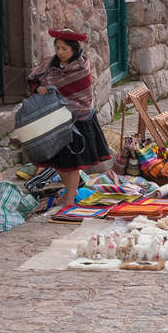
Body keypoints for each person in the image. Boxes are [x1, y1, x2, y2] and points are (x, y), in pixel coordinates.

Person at [27, 29, 113, 213]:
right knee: (57, 160)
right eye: (57, 47)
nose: (59, 52)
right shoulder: (50, 64)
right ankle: (67, 194)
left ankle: (70, 198)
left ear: (74, 49)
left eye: (64, 48)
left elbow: (79, 95)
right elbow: (34, 79)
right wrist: (39, 89)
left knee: (72, 162)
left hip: (76, 120)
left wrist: (53, 92)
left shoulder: (81, 68)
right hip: (53, 119)